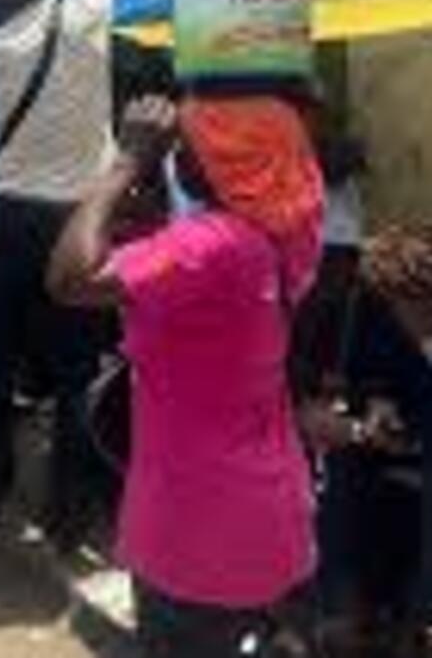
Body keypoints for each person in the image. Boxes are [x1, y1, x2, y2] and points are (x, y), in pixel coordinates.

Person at [49, 94, 325, 656]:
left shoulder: (211, 244)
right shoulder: (283, 233)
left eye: (191, 142)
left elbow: (69, 280)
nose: (177, 153)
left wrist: (127, 159)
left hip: (198, 525)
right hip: (265, 508)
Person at [0, 0, 115, 550]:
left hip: (5, 219)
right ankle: (66, 516)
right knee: (78, 370)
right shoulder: (82, 12)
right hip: (73, 221)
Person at [305, 225, 432, 656]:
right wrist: (376, 405)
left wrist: (425, 440)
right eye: (405, 314)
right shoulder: (374, 296)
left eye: (430, 317)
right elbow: (361, 372)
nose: (416, 326)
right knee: (342, 478)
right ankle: (343, 611)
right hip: (394, 421)